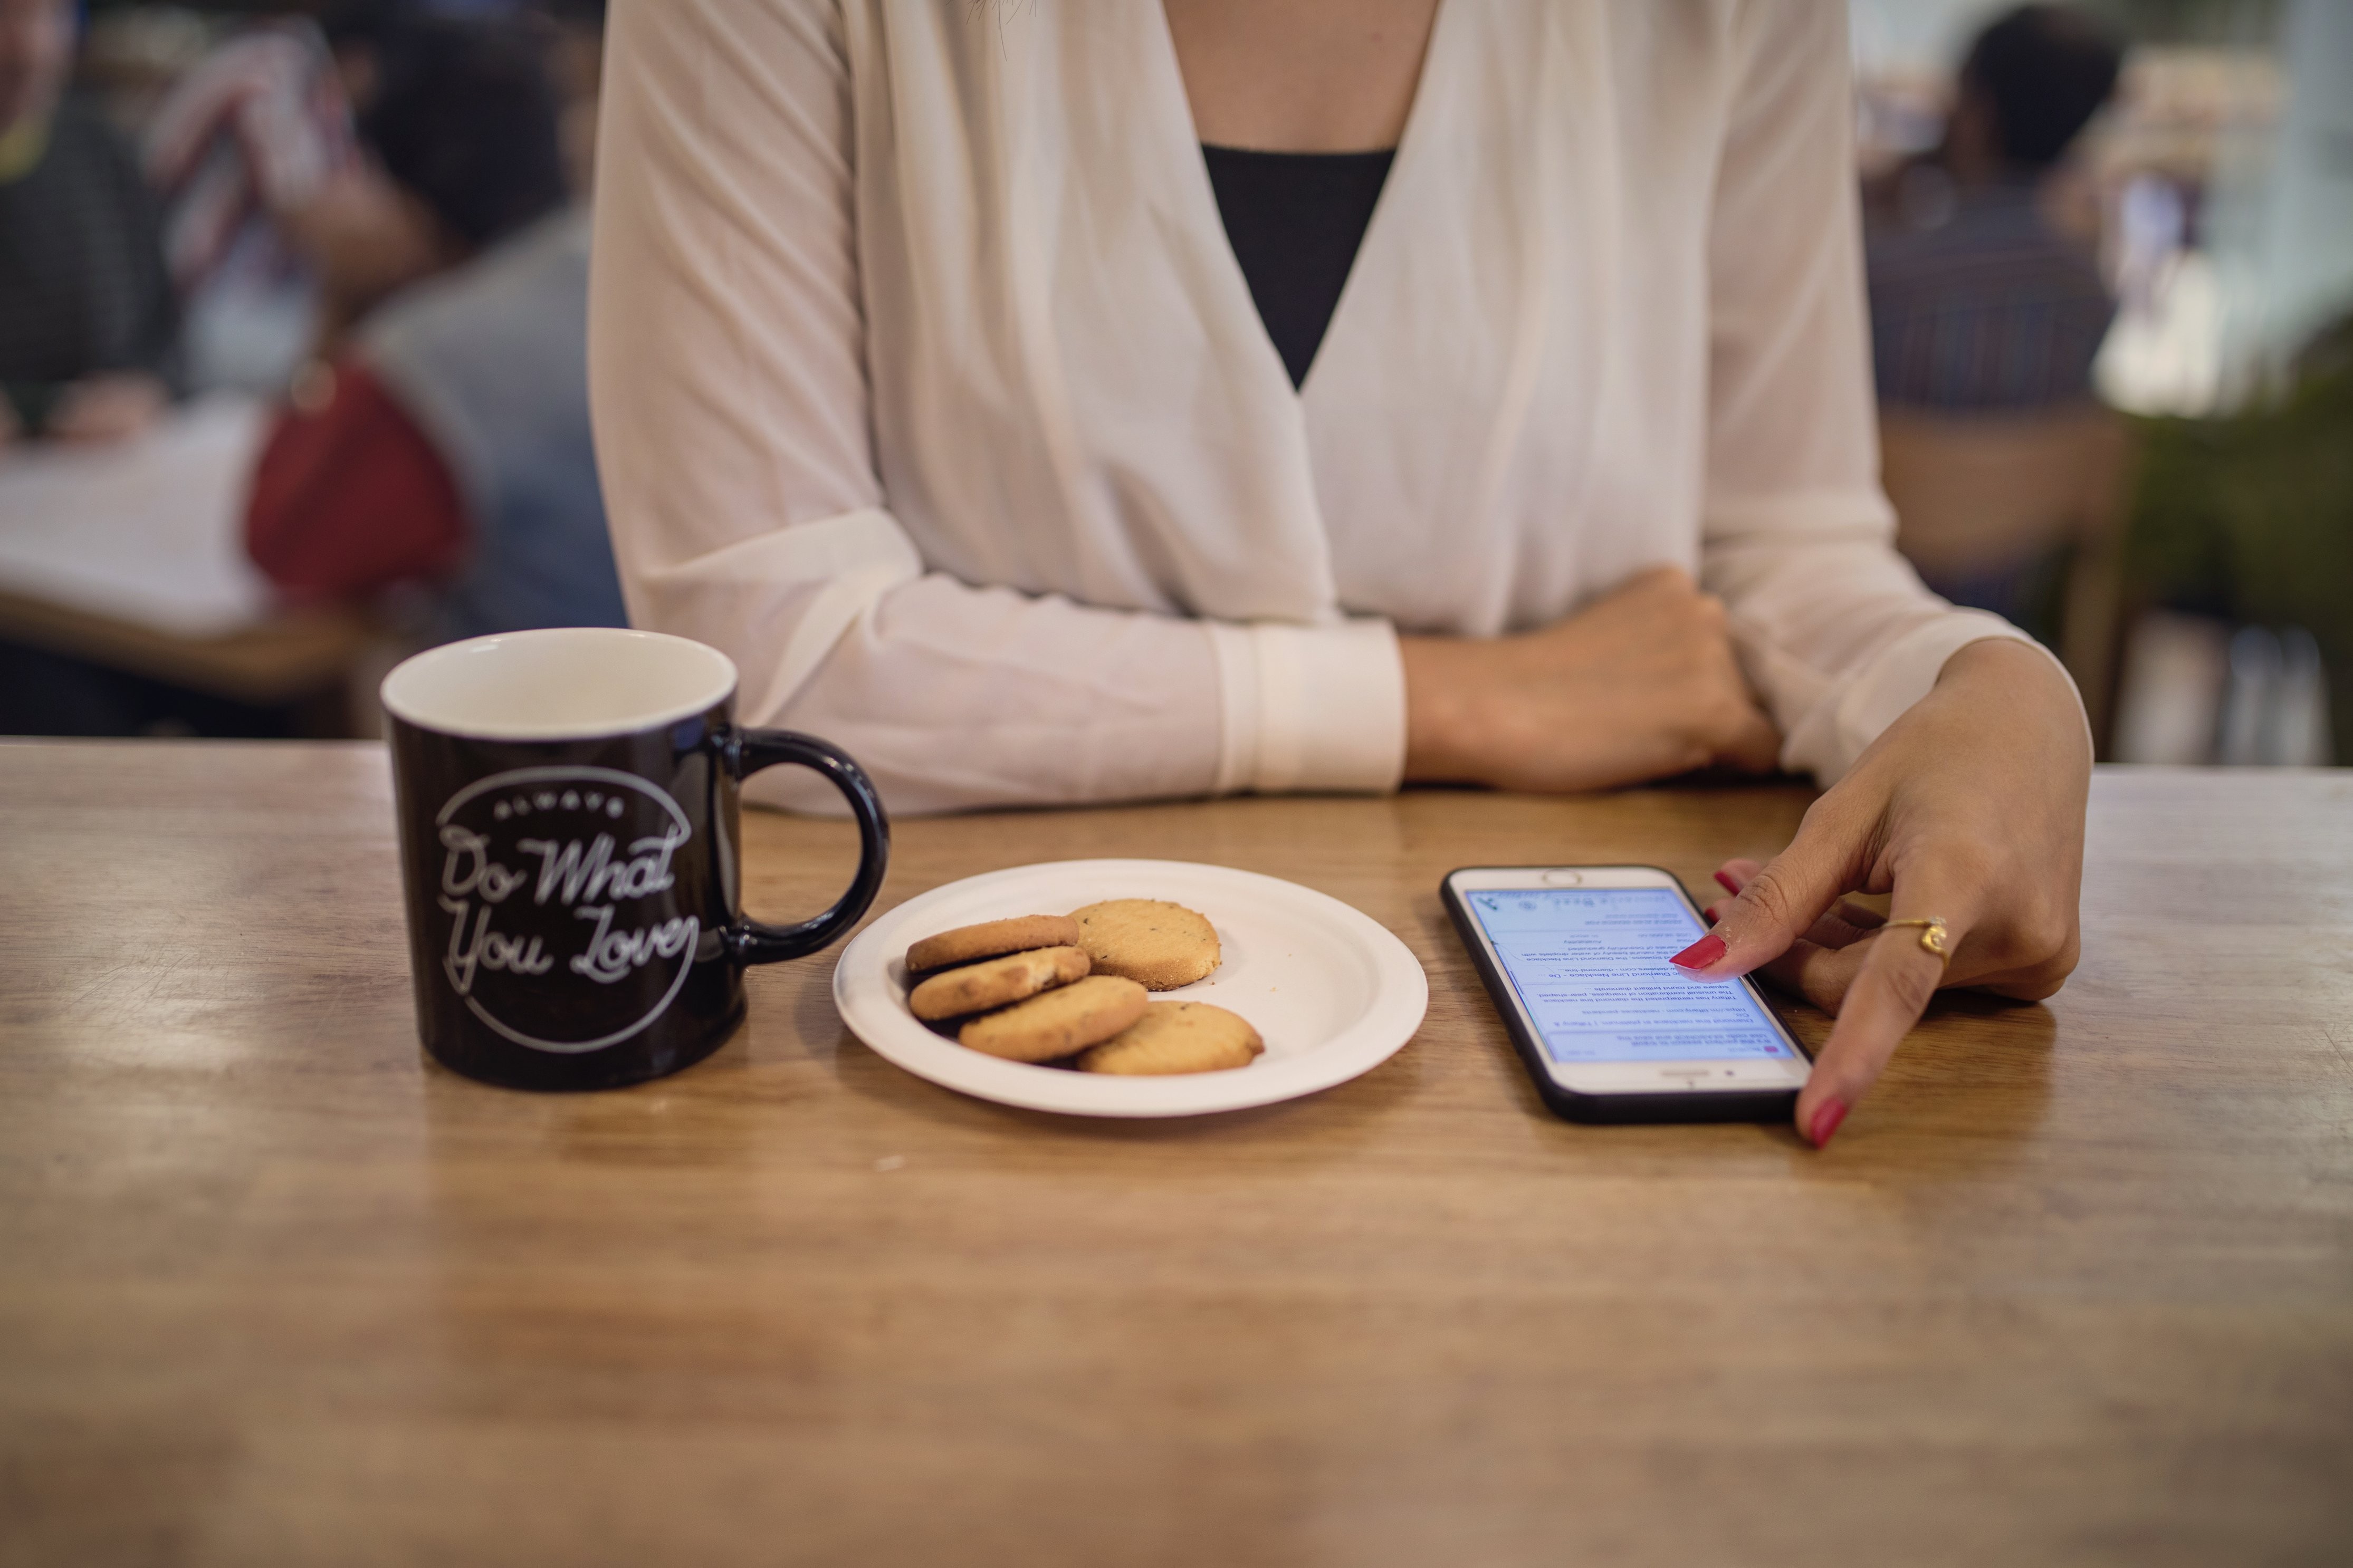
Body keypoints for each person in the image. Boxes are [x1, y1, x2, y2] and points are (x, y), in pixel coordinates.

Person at [588, 0, 2093, 1148]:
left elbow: (1782, 544)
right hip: (899, 1116)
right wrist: (1449, 700)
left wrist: (1977, 678)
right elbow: (765, 638)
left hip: (1550, 1135)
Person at [245, 14, 625, 640]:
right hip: (705, 689)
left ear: (392, 194)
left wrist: (344, 305)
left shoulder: (436, 355)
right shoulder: (622, 261)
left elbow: (286, 551)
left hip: (548, 711)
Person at [1866, 5, 2125, 411]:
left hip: (1886, 477)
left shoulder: (1881, 279)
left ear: (1978, 113)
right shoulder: (2090, 300)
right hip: (2041, 479)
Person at [0, 0, 178, 449]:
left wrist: (146, 387)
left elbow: (164, 326)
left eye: (47, 16)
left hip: (90, 469)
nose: (29, 48)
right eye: (7, 16)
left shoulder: (101, 152)